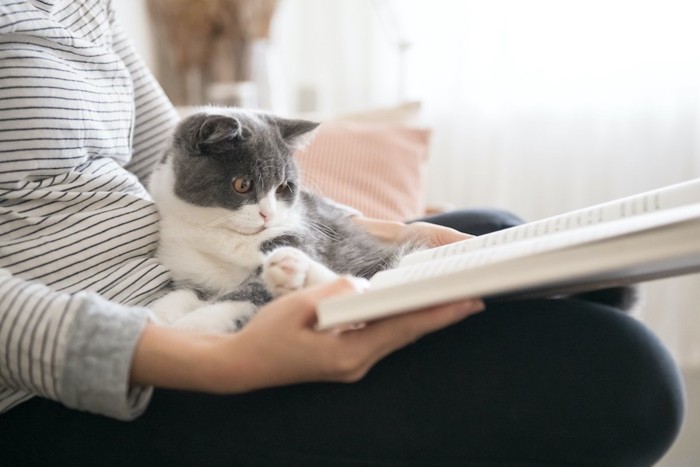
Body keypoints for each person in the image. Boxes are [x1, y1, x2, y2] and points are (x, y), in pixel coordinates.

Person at [0, 1, 684, 466]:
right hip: (91, 369)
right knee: (630, 376)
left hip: (193, 277)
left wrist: (388, 230)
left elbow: (168, 145)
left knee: (493, 231)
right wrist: (222, 364)